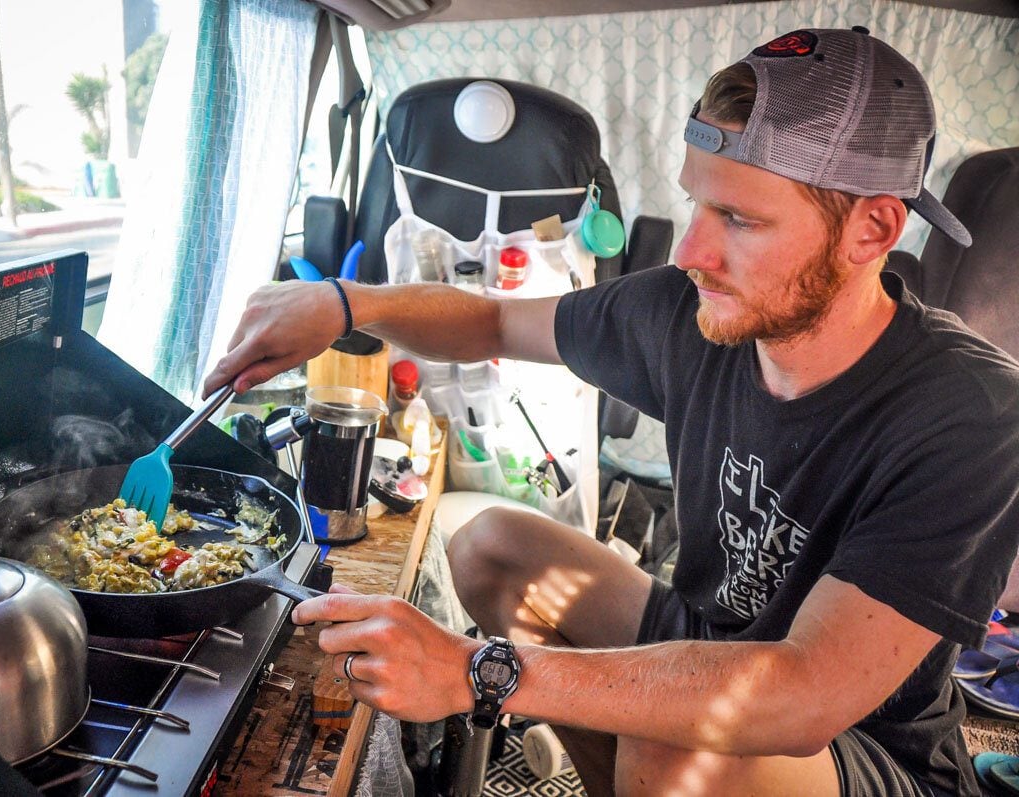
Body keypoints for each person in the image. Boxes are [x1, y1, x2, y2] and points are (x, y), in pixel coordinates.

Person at [204, 27, 1019, 796]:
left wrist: (474, 670)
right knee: (494, 547)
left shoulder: (970, 413)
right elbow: (491, 319)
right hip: (717, 640)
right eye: (698, 204)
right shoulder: (688, 310)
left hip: (861, 745)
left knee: (680, 747)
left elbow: (803, 691)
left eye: (739, 219)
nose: (691, 253)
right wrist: (344, 302)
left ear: (873, 228)